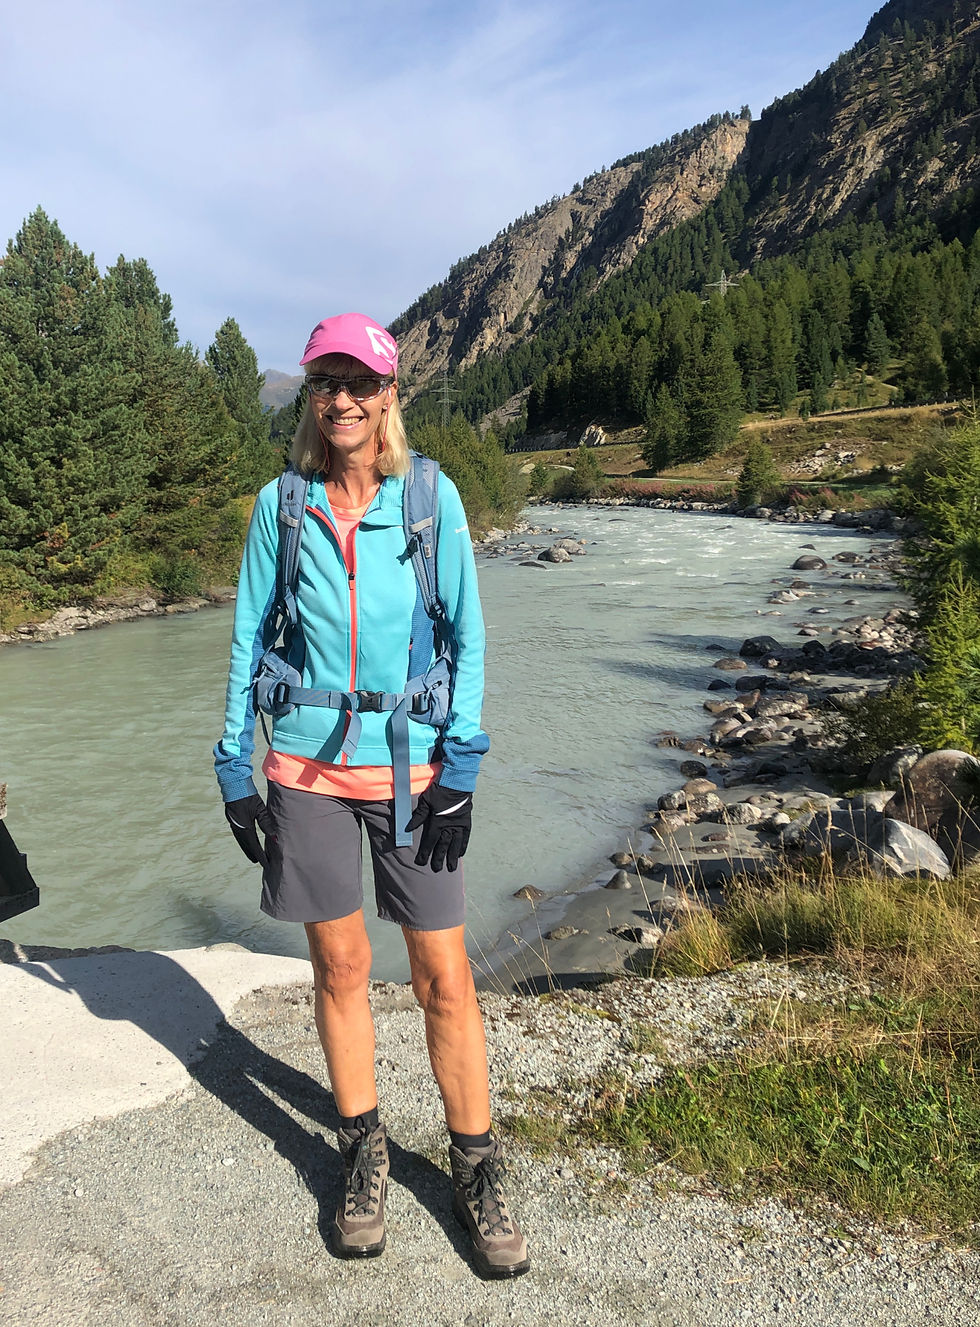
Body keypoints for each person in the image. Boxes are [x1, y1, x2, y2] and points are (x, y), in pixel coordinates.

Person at [213, 313, 529, 1280]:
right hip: (306, 771)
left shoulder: (431, 500)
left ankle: (475, 1163)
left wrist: (463, 766)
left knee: (445, 973)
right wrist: (235, 762)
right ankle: (363, 1147)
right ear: (313, 396)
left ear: (391, 394)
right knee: (342, 969)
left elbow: (468, 637)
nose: (342, 398)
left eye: (362, 382)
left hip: (414, 772)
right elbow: (244, 636)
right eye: (326, 381)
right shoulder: (283, 504)